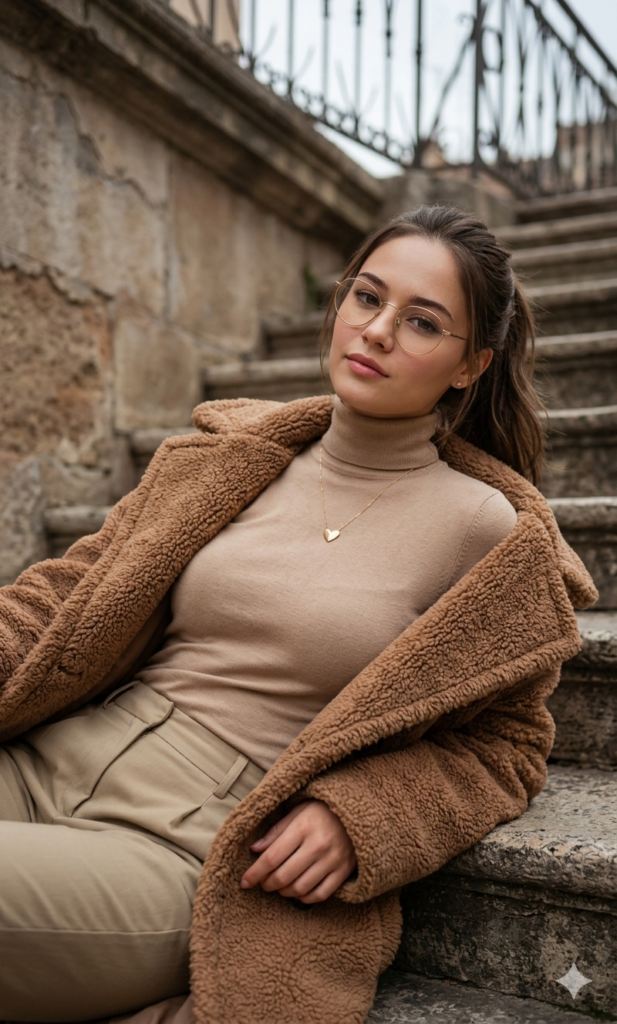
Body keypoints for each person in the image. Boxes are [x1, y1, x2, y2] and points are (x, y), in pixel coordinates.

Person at [0, 206, 596, 1024]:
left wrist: (363, 817)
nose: (377, 330)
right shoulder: (227, 457)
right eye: (367, 297)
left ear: (470, 365)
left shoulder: (483, 531)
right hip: (45, 758)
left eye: (422, 322)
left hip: (192, 841)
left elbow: (506, 748)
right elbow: (64, 595)